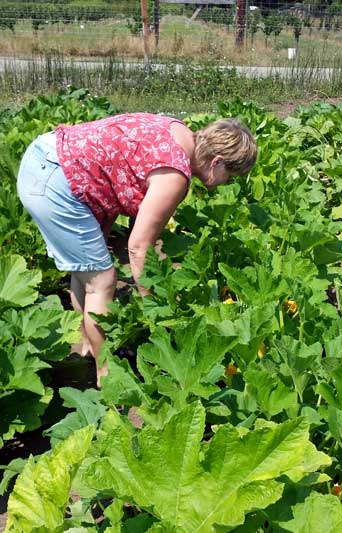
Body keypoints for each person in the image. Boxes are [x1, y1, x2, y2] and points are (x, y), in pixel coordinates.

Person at [17, 112, 257, 387]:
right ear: (216, 162)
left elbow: (120, 167)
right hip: (56, 181)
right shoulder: (175, 175)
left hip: (49, 156)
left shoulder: (178, 130)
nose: (228, 183)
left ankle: (86, 344)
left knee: (88, 268)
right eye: (231, 175)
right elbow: (139, 247)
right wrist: (155, 307)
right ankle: (109, 378)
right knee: (102, 281)